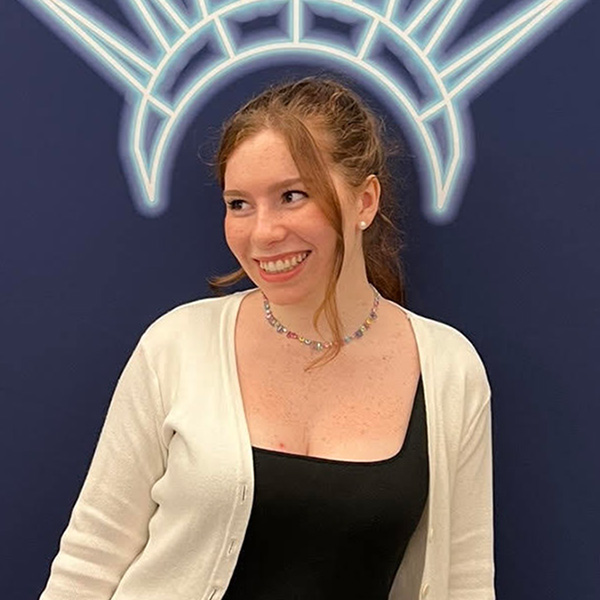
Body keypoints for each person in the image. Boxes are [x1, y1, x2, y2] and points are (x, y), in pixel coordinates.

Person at [39, 77, 495, 600]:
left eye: (292, 196)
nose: (263, 233)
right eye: (239, 204)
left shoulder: (451, 369)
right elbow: (88, 563)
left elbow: (465, 583)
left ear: (365, 201)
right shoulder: (176, 346)